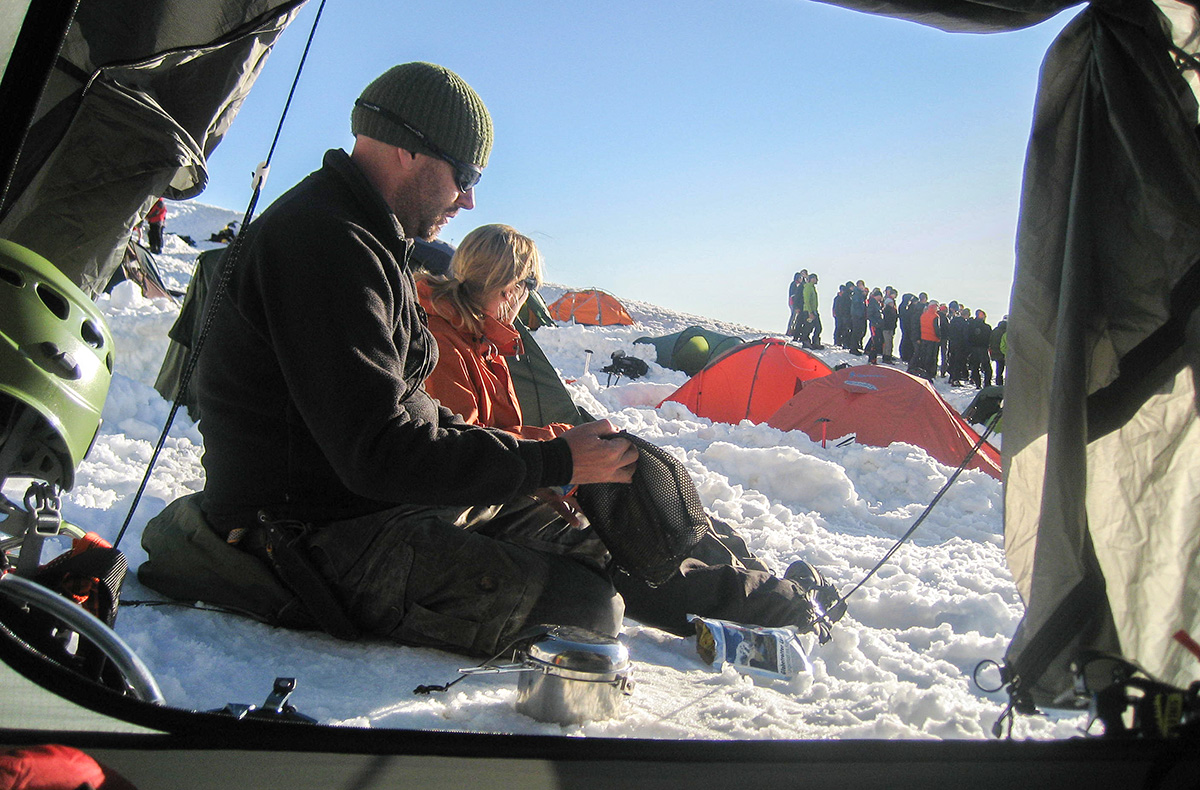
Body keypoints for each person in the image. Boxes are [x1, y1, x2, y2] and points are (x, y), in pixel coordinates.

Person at [144, 63, 833, 657]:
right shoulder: (323, 245)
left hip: (377, 502)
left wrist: (542, 462)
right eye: (465, 174)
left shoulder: (367, 239)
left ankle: (771, 608)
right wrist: (551, 462)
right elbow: (376, 451)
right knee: (585, 606)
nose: (469, 198)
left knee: (608, 542)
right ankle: (764, 608)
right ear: (408, 149)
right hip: (313, 532)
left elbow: (410, 416)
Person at [417, 223, 840, 638]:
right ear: (509, 287)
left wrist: (565, 449)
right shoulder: (444, 344)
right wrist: (559, 449)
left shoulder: (483, 341)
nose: (528, 297)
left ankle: (770, 583)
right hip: (489, 509)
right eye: (529, 285)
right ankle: (787, 606)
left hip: (523, 482)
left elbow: (495, 437)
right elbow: (469, 452)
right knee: (635, 547)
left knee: (657, 500)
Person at [801, 272, 822, 348]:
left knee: (818, 327)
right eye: (815, 279)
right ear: (812, 279)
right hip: (808, 312)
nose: (817, 280)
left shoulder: (812, 288)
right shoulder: (808, 287)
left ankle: (815, 342)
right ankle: (805, 341)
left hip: (814, 311)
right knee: (808, 327)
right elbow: (807, 300)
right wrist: (810, 312)